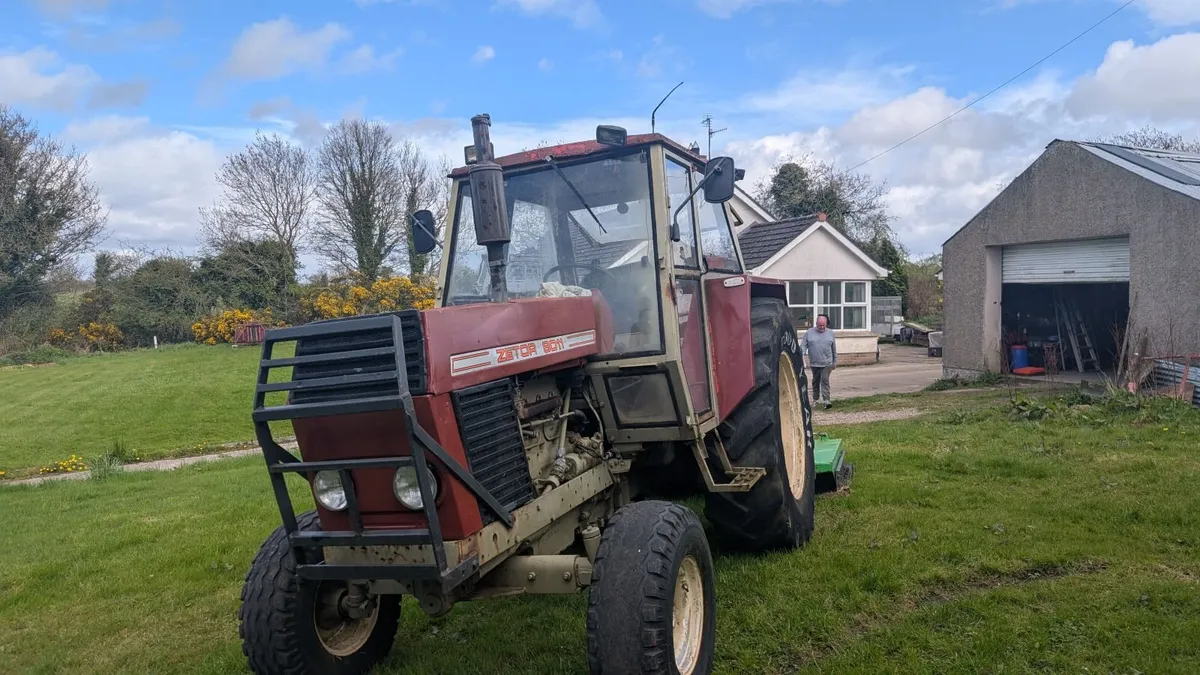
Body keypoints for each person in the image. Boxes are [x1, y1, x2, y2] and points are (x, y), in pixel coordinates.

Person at [802, 314, 836, 409]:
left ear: (826, 324)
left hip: (827, 362)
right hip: (814, 362)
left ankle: (826, 400)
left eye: (823, 325)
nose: (821, 327)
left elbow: (834, 349)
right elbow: (804, 345)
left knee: (824, 380)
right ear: (816, 324)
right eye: (819, 325)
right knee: (815, 381)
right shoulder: (809, 332)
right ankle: (815, 399)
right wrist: (802, 354)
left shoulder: (831, 333)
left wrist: (835, 362)